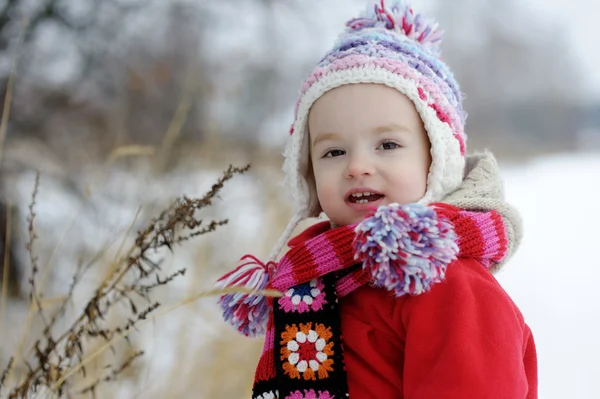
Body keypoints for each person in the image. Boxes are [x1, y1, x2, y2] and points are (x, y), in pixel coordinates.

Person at [216, 1, 538, 398]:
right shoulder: (309, 273)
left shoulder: (450, 287)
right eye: (334, 152)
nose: (357, 166)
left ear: (437, 160)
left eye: (387, 144)